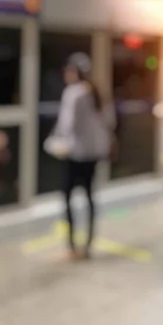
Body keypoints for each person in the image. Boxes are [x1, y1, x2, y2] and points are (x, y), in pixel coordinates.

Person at [51, 53, 111, 260]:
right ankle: (89, 243)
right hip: (93, 154)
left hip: (75, 154)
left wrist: (57, 143)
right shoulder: (95, 92)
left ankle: (71, 245)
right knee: (89, 197)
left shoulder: (73, 93)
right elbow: (107, 123)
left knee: (67, 197)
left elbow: (67, 126)